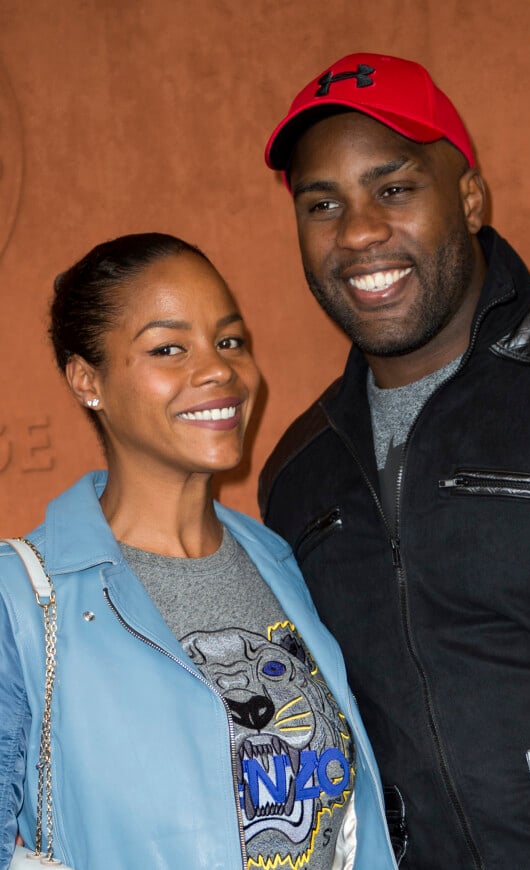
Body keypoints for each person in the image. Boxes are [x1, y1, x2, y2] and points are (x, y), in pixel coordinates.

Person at [258, 52, 530, 869]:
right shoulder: (299, 473)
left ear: (469, 198)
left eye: (393, 188)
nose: (359, 231)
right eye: (322, 203)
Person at [0, 232, 397, 870]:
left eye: (229, 341)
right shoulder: (20, 600)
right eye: (169, 348)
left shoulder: (276, 558)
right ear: (86, 380)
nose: (219, 370)